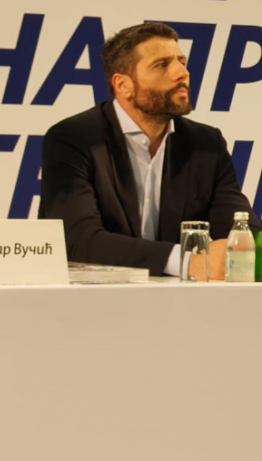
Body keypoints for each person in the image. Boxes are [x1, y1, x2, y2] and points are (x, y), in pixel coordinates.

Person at [40, 22, 260, 278]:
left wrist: (240, 249)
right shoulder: (74, 139)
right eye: (162, 65)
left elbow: (243, 232)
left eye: (182, 62)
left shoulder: (206, 144)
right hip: (95, 294)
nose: (182, 73)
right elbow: (78, 240)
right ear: (123, 85)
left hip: (181, 299)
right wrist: (186, 262)